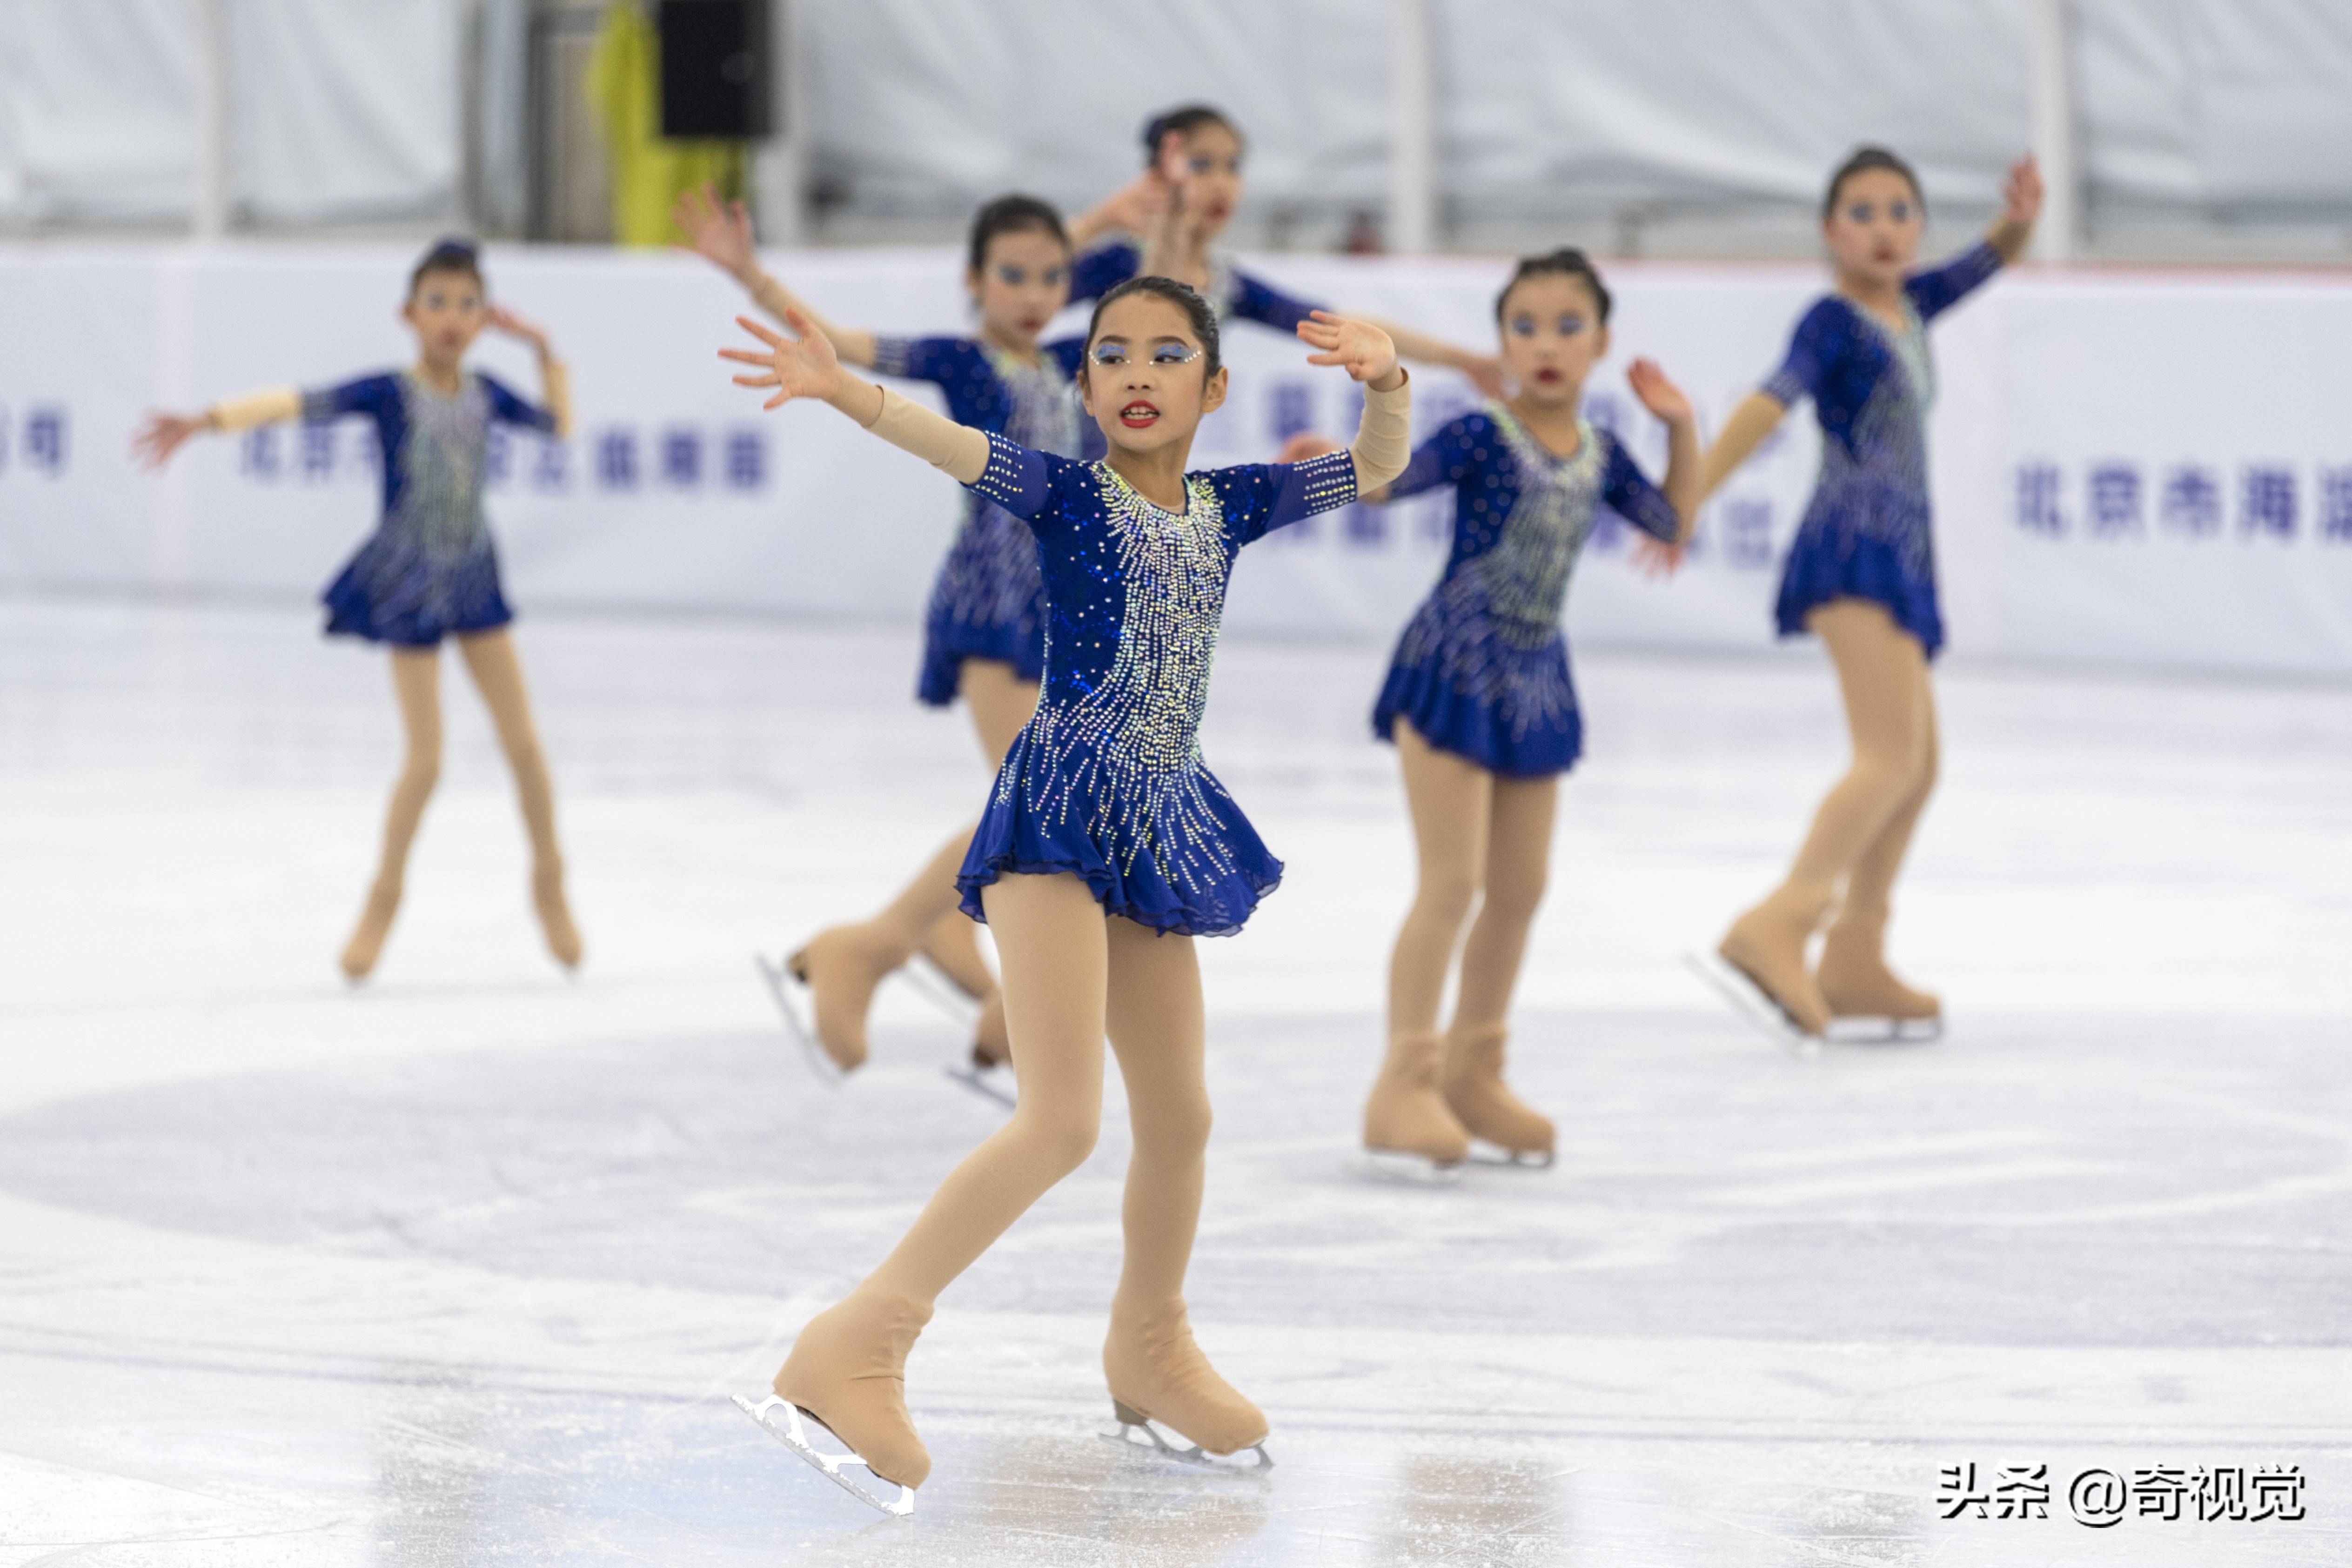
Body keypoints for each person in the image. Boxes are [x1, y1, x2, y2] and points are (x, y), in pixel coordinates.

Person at [717, 276, 1411, 1514]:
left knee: (1181, 1115)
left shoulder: (1233, 503)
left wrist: (1387, 382)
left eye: (1166, 354)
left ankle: (1149, 1343)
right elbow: (952, 443)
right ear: (1083, 386)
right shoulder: (1066, 493)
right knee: (1060, 1121)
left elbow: (1370, 470)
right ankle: (857, 1338)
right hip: (1056, 818)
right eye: (1112, 355)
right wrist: (844, 393)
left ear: (1213, 386)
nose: (1137, 373)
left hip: (1153, 824)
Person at [674, 187, 1093, 1096]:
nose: (1033, 294)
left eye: (1052, 276)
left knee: (1052, 801)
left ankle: (932, 939)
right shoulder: (962, 360)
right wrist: (751, 275)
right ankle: (875, 948)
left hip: (1062, 613)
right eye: (1012, 275)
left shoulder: (1075, 362)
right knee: (1036, 798)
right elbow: (842, 344)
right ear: (974, 280)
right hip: (989, 605)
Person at [1294, 249, 1700, 1174]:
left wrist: (1681, 428)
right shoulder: (1482, 432)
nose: (1545, 344)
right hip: (1454, 662)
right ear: (1501, 342)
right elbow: (1393, 481)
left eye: (1567, 326)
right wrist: (1344, 456)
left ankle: (1474, 1071)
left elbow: (1671, 522)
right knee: (1451, 884)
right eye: (1524, 326)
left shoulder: (1602, 450)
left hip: (1535, 678)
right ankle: (1402, 1082)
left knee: (1519, 889)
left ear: (1601, 341)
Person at [131, 238, 581, 982]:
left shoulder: (488, 394)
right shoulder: (388, 393)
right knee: (425, 761)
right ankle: (383, 899)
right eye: (437, 302)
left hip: (475, 582)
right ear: (409, 313)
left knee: (525, 747)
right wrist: (208, 419)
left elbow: (558, 426)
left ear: (483, 318)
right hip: (407, 584)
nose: (452, 317)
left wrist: (543, 350)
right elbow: (296, 403)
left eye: (467, 304)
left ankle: (550, 882)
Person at [1692, 147, 2042, 1042]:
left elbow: (1987, 261)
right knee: (1887, 760)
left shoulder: (1911, 305)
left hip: (1900, 555)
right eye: (1862, 212)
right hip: (1852, 547)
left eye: (1900, 211)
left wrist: (2017, 221)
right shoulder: (1832, 322)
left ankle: (1854, 956)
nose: (1884, 229)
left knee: (1918, 769)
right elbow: (1768, 404)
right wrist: (1692, 492)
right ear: (1828, 231)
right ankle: (1781, 920)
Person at [1068, 104, 1504, 393]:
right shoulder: (1120, 261)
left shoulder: (1226, 283)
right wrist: (1096, 221)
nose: (1221, 183)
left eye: (1233, 166)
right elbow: (1028, 283)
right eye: (1200, 165)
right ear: (1159, 173)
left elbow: (1337, 325)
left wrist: (1465, 360)